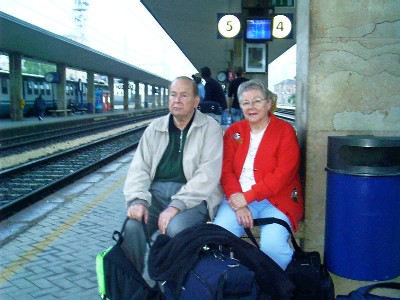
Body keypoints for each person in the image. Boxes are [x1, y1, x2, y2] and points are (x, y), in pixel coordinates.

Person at [122, 76, 224, 278]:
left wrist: (176, 205)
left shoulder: (210, 128)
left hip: (193, 199)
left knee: (175, 229)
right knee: (133, 227)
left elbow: (208, 174)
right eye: (173, 95)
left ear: (196, 102)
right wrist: (138, 199)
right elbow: (139, 168)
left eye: (184, 95)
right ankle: (132, 287)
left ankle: (171, 287)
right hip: (156, 195)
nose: (177, 100)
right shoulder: (155, 128)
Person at [213, 79, 304, 270]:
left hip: (277, 200)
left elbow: (284, 174)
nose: (251, 107)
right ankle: (237, 284)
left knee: (273, 246)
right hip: (237, 199)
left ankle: (279, 287)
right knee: (219, 236)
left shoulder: (285, 131)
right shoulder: (233, 132)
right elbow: (226, 170)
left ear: (268, 103)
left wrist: (247, 197)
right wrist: (239, 204)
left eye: (257, 101)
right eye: (245, 103)